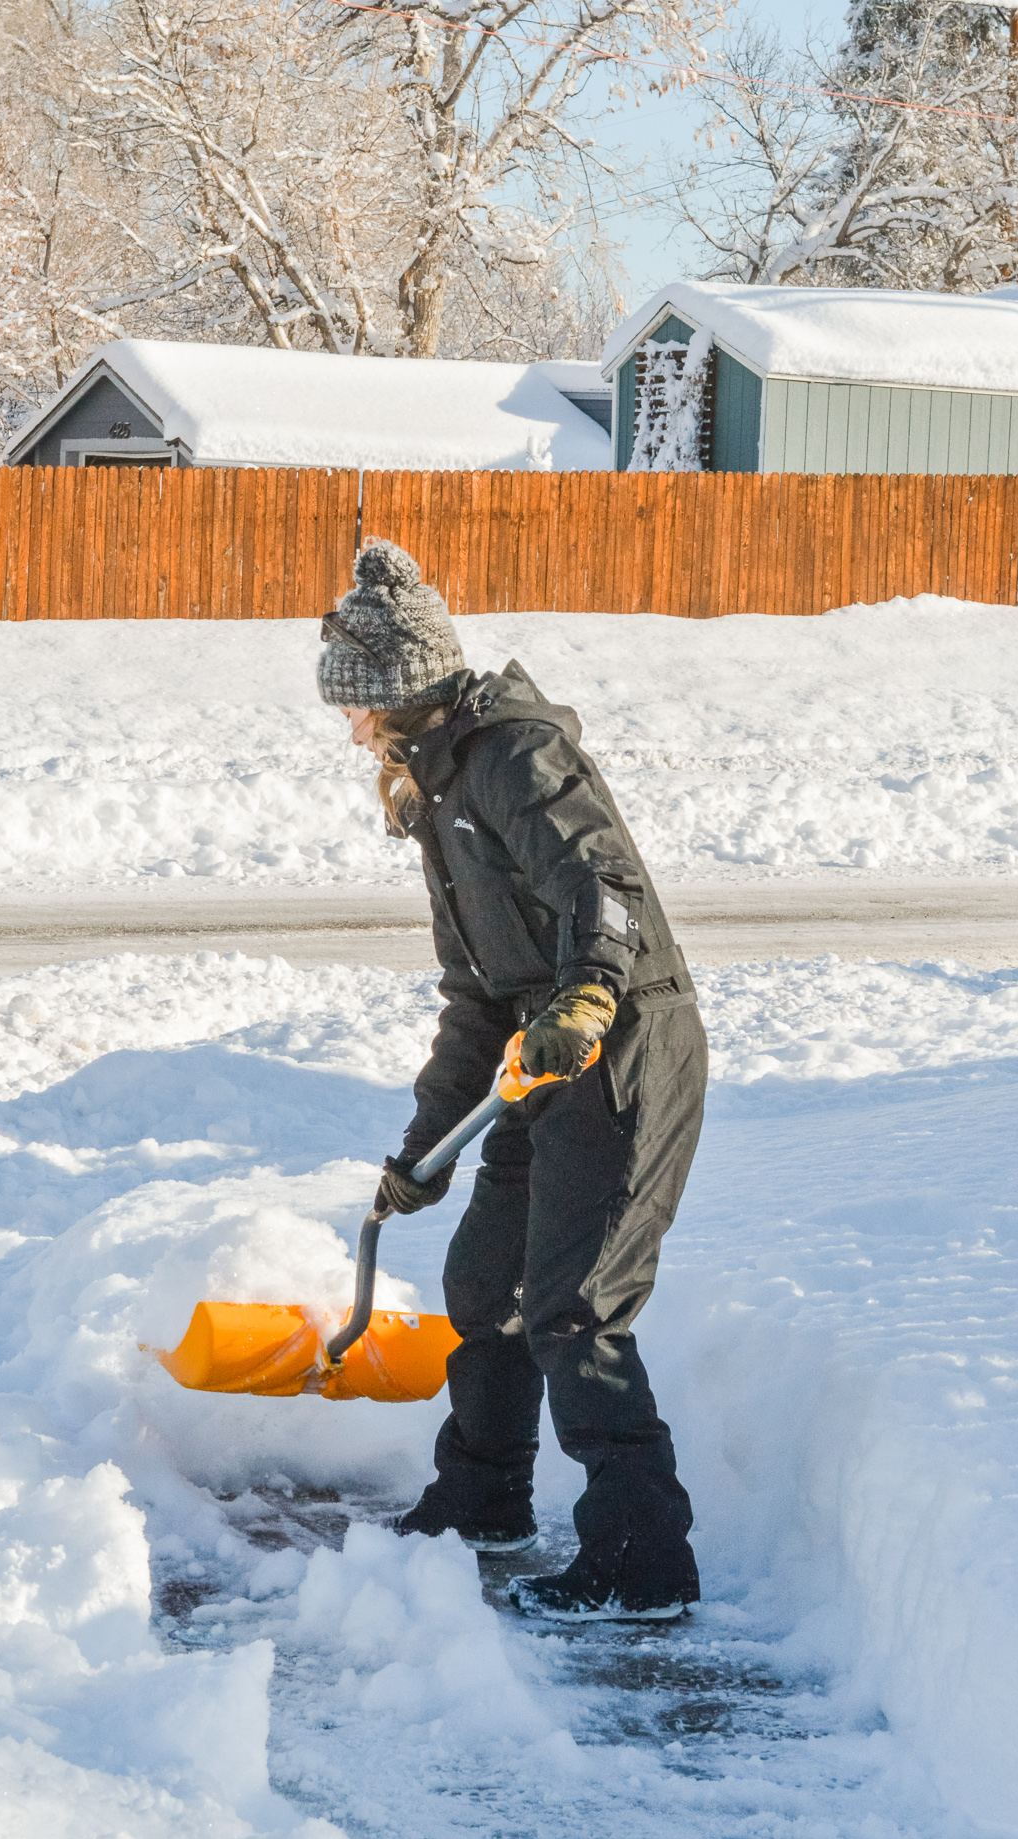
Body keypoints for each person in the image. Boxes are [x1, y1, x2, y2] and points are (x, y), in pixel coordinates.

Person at [318, 538, 708, 1622]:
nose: (349, 729)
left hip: (621, 1046)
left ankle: (642, 1567)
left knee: (575, 1309)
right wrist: (421, 1154)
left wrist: (586, 995)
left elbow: (604, 883)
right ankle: (482, 1499)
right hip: (543, 1062)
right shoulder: (441, 799)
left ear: (398, 698)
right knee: (484, 1289)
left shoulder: (514, 756)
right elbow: (477, 997)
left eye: (356, 708)